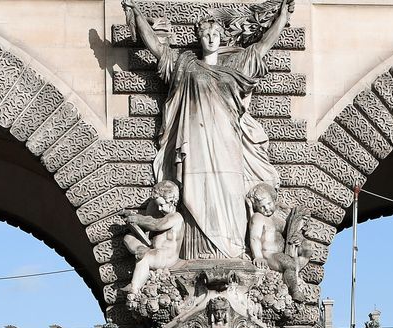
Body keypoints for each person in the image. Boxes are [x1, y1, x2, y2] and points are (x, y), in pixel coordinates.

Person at [124, 0, 290, 260]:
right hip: (195, 141)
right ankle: (194, 255)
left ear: (221, 37)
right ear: (199, 38)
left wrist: (283, 16)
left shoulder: (236, 66)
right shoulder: (185, 66)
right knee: (195, 191)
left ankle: (234, 251)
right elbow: (157, 48)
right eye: (206, 35)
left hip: (228, 141)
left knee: (231, 193)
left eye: (215, 35)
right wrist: (136, 13)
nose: (211, 39)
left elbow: (263, 46)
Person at [122, 180, 186, 292]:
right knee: (128, 237)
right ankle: (140, 249)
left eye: (162, 205)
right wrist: (133, 216)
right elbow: (152, 220)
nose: (160, 209)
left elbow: (157, 225)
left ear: (172, 201)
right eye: (158, 206)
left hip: (167, 257)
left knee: (145, 258)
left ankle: (134, 287)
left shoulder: (176, 217)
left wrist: (137, 219)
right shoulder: (164, 216)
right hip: (156, 251)